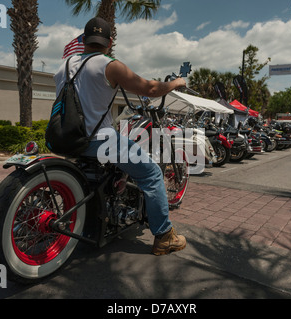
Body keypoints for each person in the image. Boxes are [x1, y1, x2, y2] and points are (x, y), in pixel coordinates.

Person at [54, 17, 187, 256]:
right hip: (99, 141)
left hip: (66, 140)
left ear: (83, 40)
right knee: (152, 174)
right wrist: (175, 83)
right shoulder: (109, 64)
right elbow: (151, 89)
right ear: (109, 42)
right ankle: (164, 236)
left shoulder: (63, 66)